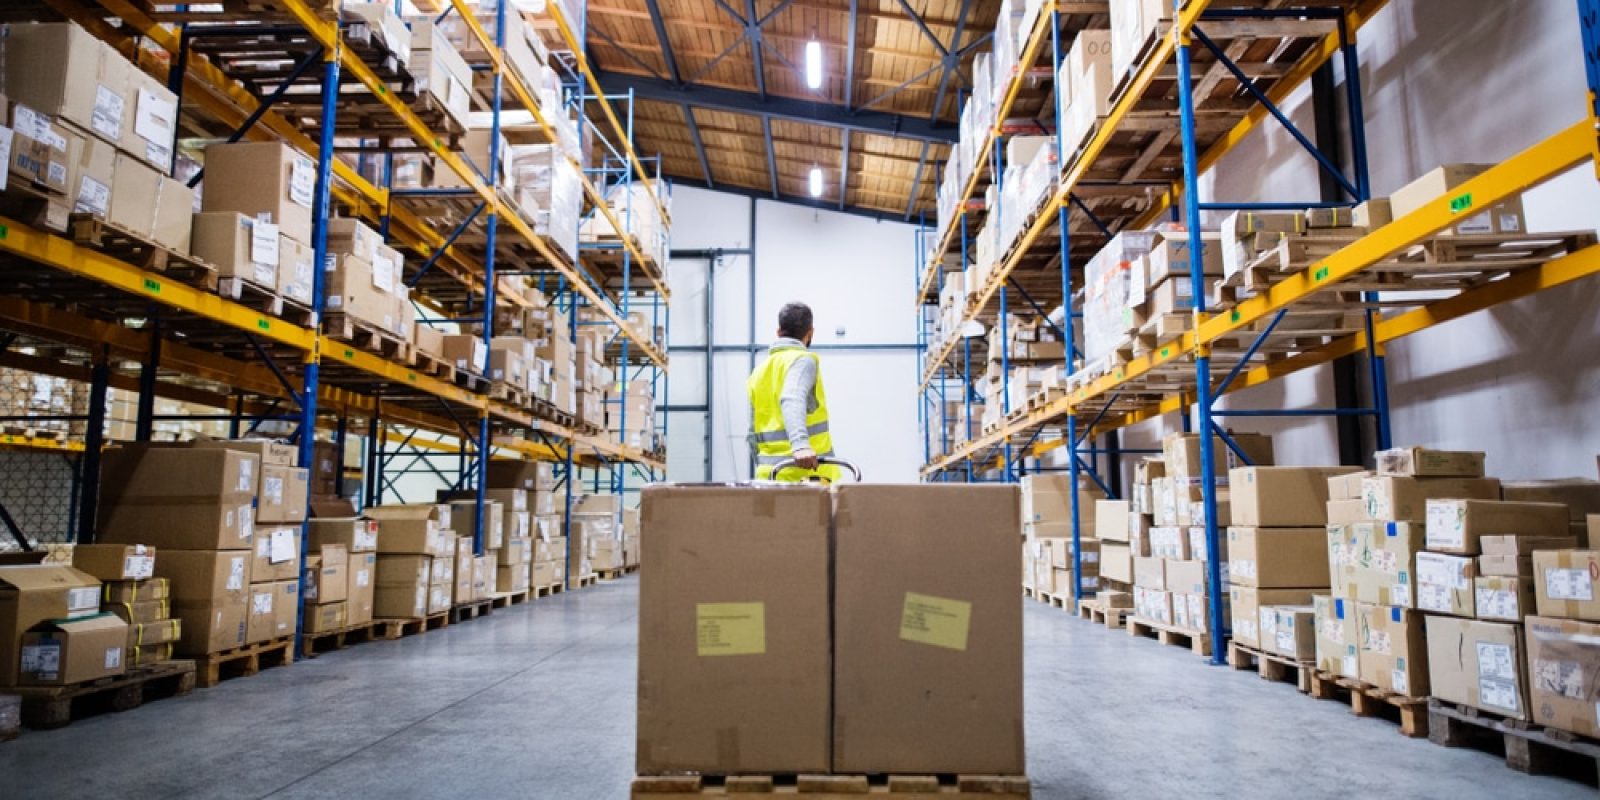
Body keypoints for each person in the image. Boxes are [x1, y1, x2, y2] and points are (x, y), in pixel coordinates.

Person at [747, 302, 841, 482]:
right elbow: (792, 398)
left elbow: (752, 431)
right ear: (810, 332)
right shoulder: (802, 360)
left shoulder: (759, 371)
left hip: (769, 475)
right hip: (805, 475)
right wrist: (800, 446)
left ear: (778, 332)